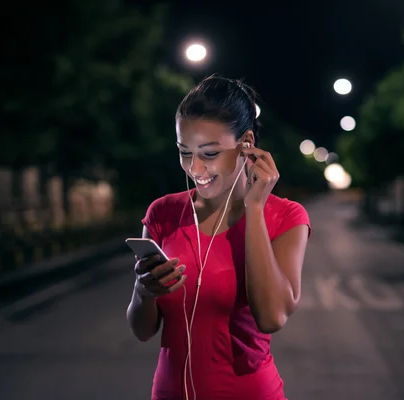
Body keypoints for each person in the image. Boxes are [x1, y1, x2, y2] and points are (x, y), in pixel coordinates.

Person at [126, 75, 311, 400]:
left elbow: (271, 317)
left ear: (247, 143)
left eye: (209, 154)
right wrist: (144, 291)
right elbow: (143, 331)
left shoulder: (285, 217)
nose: (195, 168)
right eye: (185, 152)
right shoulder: (162, 214)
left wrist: (254, 207)